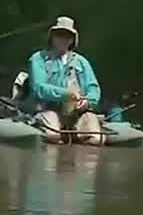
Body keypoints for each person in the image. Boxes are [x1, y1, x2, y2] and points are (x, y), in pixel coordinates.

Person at [28, 16, 104, 145]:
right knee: (52, 135)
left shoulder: (82, 62)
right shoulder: (38, 59)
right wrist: (66, 94)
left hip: (77, 113)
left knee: (96, 139)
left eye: (67, 36)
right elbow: (39, 88)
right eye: (59, 35)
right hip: (47, 109)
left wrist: (87, 102)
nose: (63, 39)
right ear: (52, 37)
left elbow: (93, 89)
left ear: (72, 39)